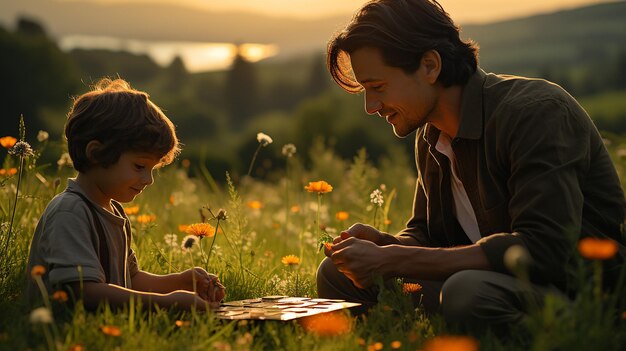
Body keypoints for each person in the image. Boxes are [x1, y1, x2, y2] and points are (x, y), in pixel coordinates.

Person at [317, 0, 625, 333]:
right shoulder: (430, 136)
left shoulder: (535, 112)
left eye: (377, 87)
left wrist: (395, 259)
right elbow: (430, 237)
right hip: (486, 288)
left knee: (466, 291)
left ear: (430, 66)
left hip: (578, 295)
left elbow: (545, 250)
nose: (370, 106)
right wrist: (385, 245)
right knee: (335, 274)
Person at [26, 78, 225, 311]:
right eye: (140, 167)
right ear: (96, 153)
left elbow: (131, 281)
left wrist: (182, 282)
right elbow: (84, 292)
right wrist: (166, 303)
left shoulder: (113, 210)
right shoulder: (71, 212)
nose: (148, 180)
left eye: (153, 169)